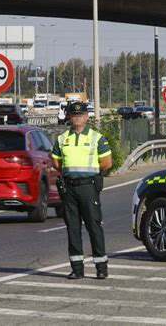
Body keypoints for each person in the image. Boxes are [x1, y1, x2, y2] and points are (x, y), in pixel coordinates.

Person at [52, 101, 112, 279]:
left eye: (80, 115)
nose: (77, 118)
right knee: (73, 227)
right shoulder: (62, 139)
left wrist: (90, 174)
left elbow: (107, 163)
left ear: (86, 117)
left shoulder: (96, 138)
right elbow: (56, 162)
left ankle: (101, 267)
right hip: (69, 187)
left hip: (88, 186)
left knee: (93, 225)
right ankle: (77, 268)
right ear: (69, 117)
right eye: (74, 115)